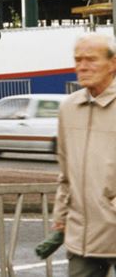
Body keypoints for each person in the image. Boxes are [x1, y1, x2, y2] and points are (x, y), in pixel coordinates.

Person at [53, 32, 116, 276]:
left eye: (90, 59)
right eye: (78, 60)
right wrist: (61, 213)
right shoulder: (68, 108)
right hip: (82, 234)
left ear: (113, 64)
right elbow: (65, 169)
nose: (82, 66)